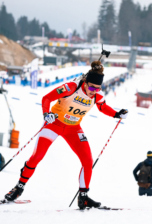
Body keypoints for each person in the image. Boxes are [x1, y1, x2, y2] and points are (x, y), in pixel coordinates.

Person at [3, 60, 128, 209]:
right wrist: (46, 114)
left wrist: (116, 114)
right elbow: (47, 98)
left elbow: (103, 107)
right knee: (37, 156)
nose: (94, 91)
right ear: (86, 83)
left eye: (98, 88)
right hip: (54, 124)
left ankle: (83, 197)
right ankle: (18, 188)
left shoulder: (97, 95)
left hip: (73, 128)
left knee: (88, 161)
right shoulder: (71, 88)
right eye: (92, 87)